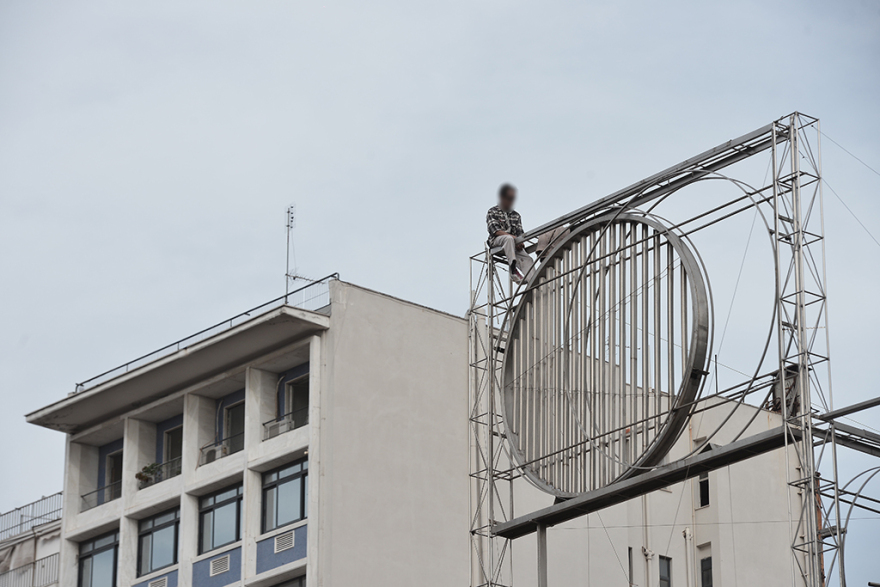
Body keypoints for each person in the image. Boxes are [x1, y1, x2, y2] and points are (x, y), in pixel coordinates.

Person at [486, 184, 568, 283]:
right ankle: (513, 271)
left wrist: (521, 242)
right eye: (509, 198)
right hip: (497, 241)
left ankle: (534, 284)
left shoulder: (516, 215)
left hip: (513, 243)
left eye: (512, 199)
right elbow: (496, 231)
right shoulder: (493, 211)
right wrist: (514, 238)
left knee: (528, 259)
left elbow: (520, 233)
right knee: (508, 239)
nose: (511, 201)